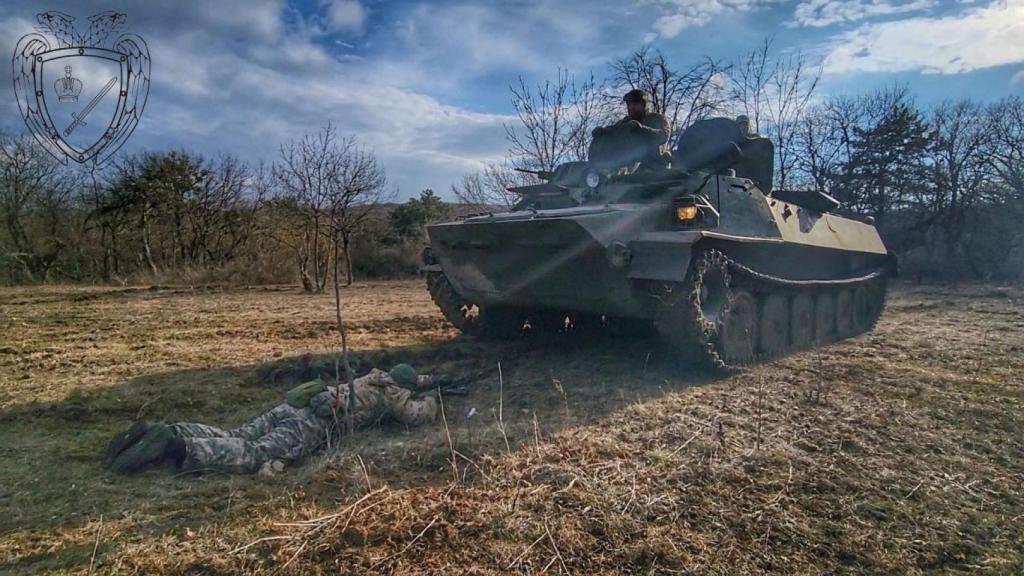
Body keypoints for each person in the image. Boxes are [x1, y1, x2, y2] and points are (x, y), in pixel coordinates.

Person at [106, 364, 441, 475]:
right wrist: (432, 398)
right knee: (256, 455)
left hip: (294, 405)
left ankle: (167, 428)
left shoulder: (372, 378)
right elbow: (418, 416)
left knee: (236, 432)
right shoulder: (393, 394)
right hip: (310, 424)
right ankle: (179, 447)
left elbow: (406, 377)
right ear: (405, 387)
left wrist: (422, 380)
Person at [591, 89, 671, 171]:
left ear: (643, 105)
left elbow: (663, 136)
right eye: (629, 104)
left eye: (635, 104)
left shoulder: (656, 119)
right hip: (631, 171)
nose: (631, 107)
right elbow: (614, 131)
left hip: (656, 169)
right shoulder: (625, 123)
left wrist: (642, 129)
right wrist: (602, 132)